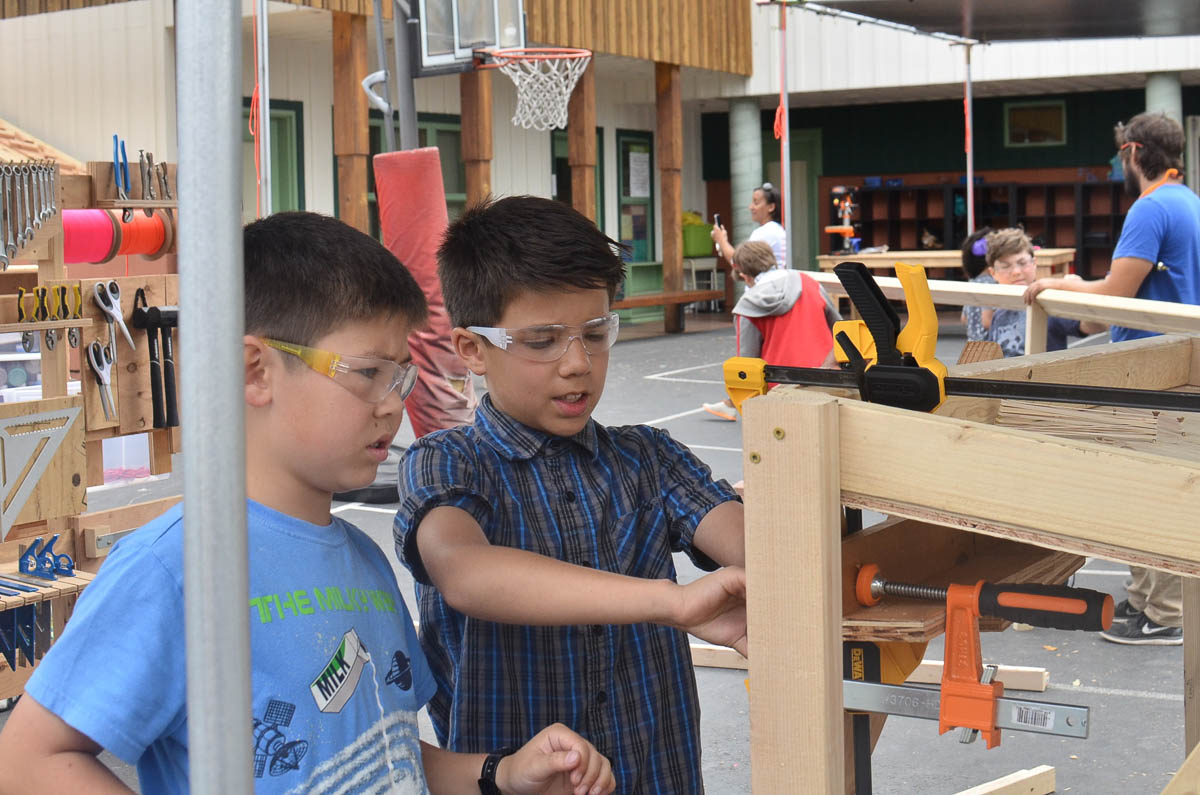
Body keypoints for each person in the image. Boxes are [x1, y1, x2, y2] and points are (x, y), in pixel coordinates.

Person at [0, 211, 615, 795]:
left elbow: (384, 750)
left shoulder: (364, 560)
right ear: (256, 370)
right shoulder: (176, 568)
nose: (390, 404)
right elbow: (27, 760)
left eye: (400, 376)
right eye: (367, 372)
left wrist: (500, 775)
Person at [393, 196, 747, 793]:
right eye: (542, 341)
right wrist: (670, 601)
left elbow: (743, 539)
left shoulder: (647, 458)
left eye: (595, 332)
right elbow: (467, 574)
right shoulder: (448, 462)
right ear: (473, 349)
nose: (578, 363)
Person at [1025, 111, 1200, 645]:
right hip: (1174, 363)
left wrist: (1067, 284)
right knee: (1153, 484)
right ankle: (1146, 600)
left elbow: (1116, 293)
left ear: (1133, 153)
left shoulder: (1150, 208)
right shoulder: (1188, 202)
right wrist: (1088, 309)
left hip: (1152, 370)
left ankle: (1165, 612)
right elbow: (1126, 301)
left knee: (1151, 488)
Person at [702, 240, 840, 421]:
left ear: (744, 275)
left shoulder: (746, 308)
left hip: (780, 390)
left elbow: (747, 365)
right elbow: (840, 328)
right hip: (826, 379)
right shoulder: (809, 283)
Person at [981, 227, 1105, 357]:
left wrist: (1081, 294)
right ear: (993, 273)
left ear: (1034, 263)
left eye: (1022, 263)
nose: (1016, 272)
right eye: (1006, 266)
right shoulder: (999, 313)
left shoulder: (1047, 304)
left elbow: (1097, 326)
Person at [712, 181, 788, 269]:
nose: (751, 207)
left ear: (771, 207)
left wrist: (721, 240)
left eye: (756, 203)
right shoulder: (776, 229)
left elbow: (740, 265)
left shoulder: (766, 232)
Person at [960, 225, 995, 342]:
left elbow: (964, 319)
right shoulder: (992, 284)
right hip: (990, 347)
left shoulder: (972, 282)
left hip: (972, 346)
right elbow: (987, 321)